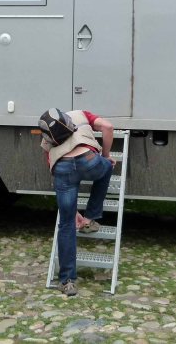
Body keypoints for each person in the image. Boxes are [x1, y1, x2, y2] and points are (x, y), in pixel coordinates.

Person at [38, 108, 116, 296]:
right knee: (106, 167)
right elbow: (108, 127)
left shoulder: (47, 135)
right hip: (89, 160)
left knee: (66, 224)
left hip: (62, 168)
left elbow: (51, 164)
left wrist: (72, 212)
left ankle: (67, 282)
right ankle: (90, 218)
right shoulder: (82, 114)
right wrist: (106, 155)